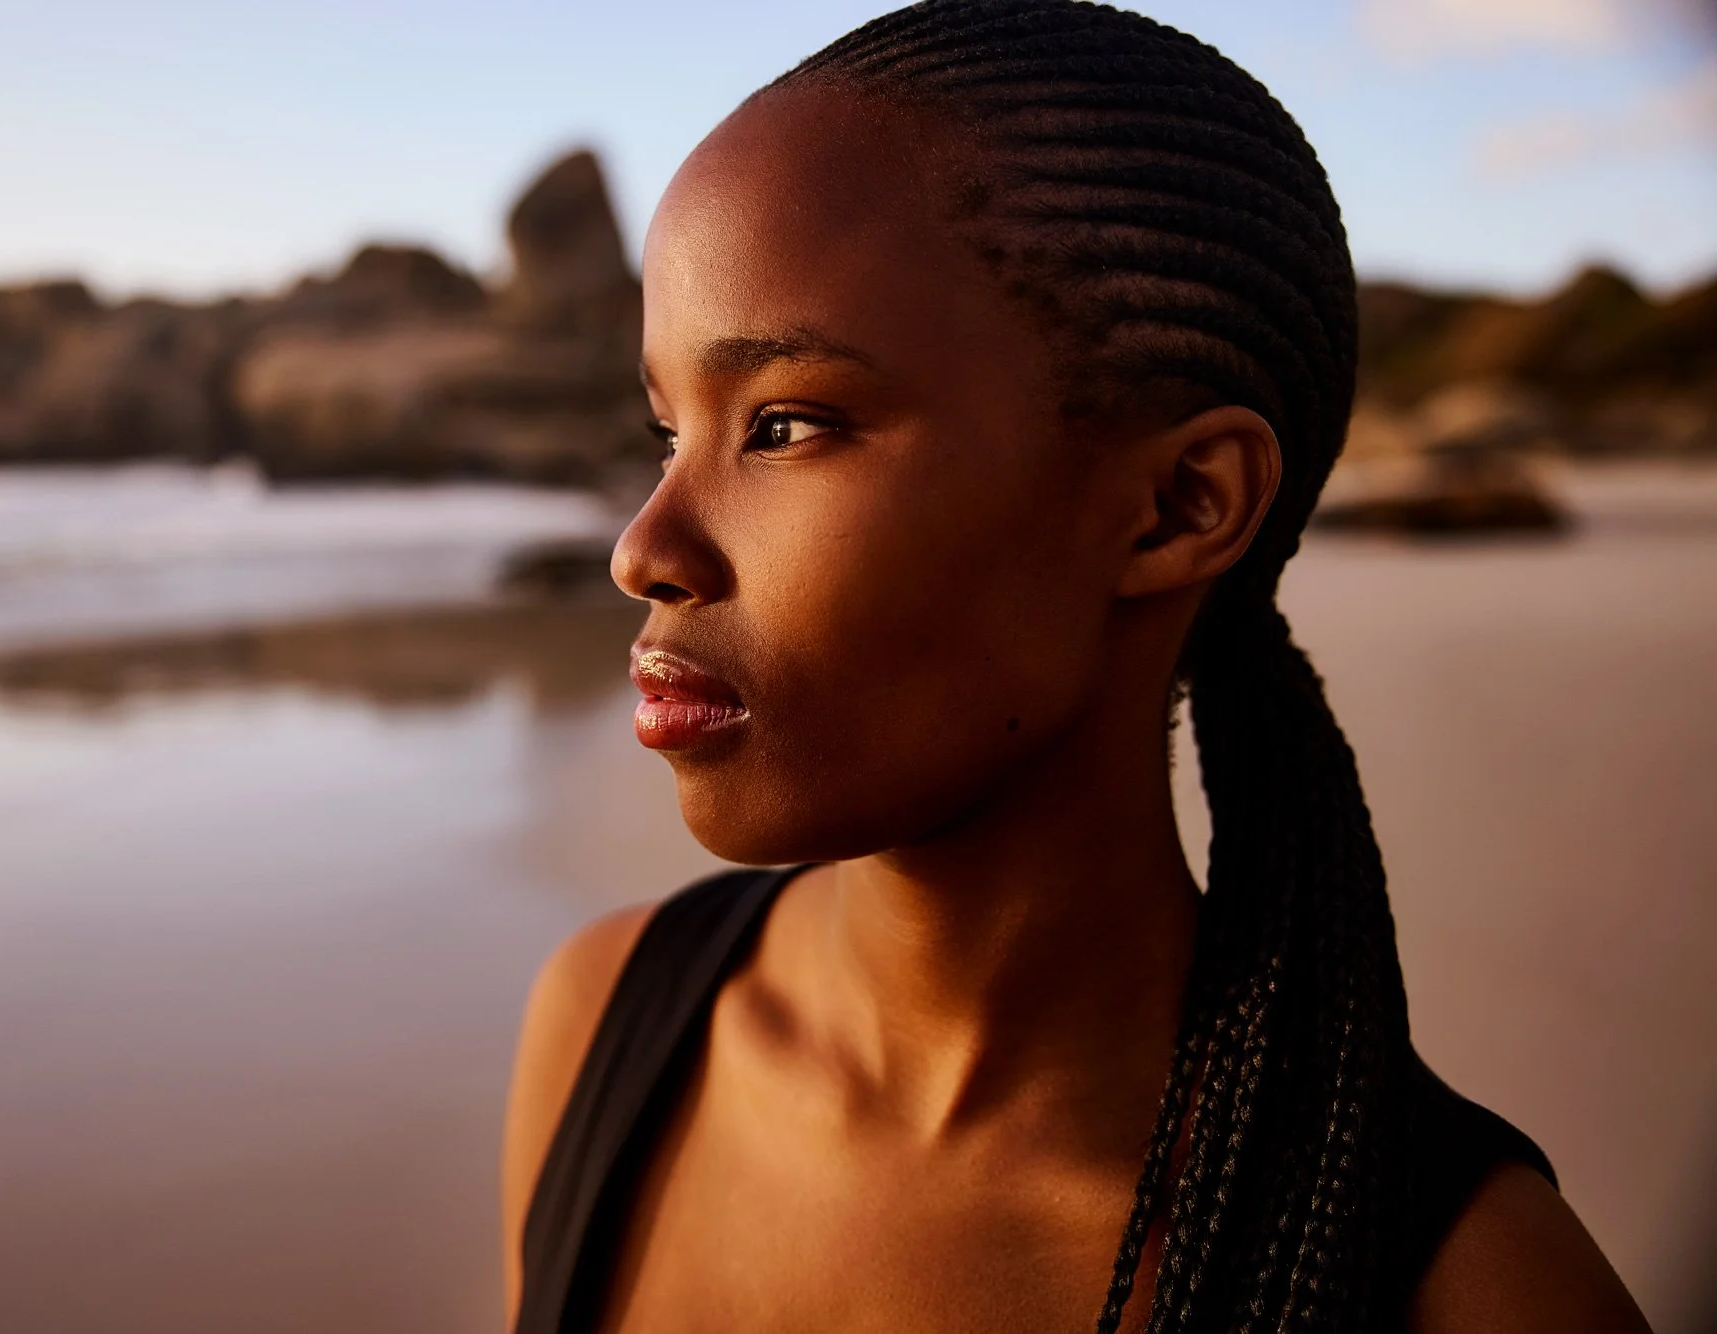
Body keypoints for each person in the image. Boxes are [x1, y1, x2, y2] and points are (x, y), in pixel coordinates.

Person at [500, 2, 1652, 1330]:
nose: (644, 547)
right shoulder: (605, 1026)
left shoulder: (1470, 1291)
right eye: (665, 431)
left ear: (1177, 506)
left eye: (786, 425)